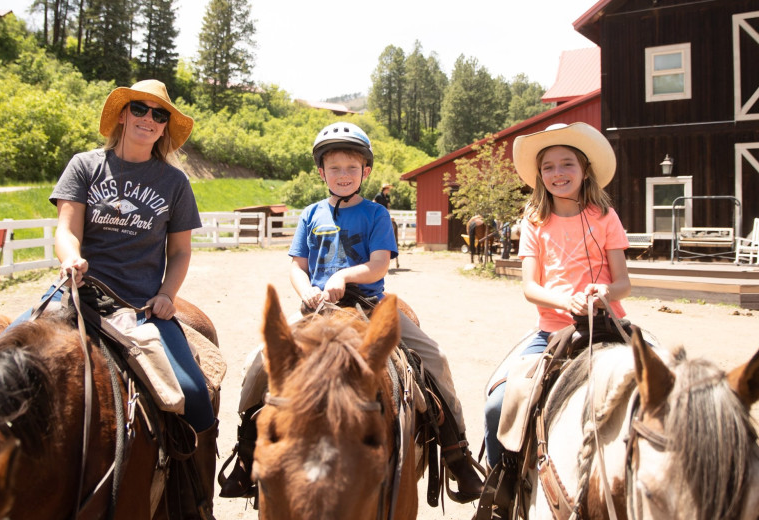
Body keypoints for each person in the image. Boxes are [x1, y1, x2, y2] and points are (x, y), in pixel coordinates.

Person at [219, 122, 484, 503]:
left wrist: (343, 274)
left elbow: (378, 265)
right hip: (317, 309)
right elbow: (297, 265)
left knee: (434, 358)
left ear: (366, 171)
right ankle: (246, 450)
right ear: (321, 172)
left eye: (351, 168)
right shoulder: (311, 214)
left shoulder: (376, 214)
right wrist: (308, 289)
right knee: (259, 361)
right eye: (334, 168)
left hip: (368, 306)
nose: (343, 175)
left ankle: (457, 452)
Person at [46, 80, 218, 517]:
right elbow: (66, 229)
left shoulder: (174, 183)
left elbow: (179, 252)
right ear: (122, 114)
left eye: (159, 115)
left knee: (196, 396)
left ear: (164, 129)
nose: (149, 119)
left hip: (140, 309)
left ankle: (194, 500)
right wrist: (71, 258)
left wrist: (166, 294)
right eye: (140, 109)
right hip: (78, 292)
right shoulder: (85, 166)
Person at [480, 122, 631, 512]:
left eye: (567, 164)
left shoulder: (605, 217)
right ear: (539, 175)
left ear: (585, 170)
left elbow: (624, 283)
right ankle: (504, 489)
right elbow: (530, 287)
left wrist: (603, 293)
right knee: (498, 403)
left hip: (608, 326)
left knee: (664, 382)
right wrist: (566, 300)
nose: (558, 174)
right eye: (548, 167)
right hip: (550, 331)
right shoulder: (534, 222)